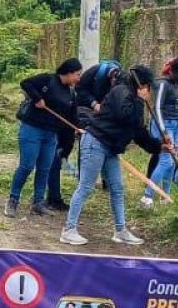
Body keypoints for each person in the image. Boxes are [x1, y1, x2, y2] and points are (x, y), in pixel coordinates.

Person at [60, 65, 173, 246]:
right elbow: (123, 115)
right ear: (142, 85)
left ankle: (120, 230)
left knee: (117, 188)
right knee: (86, 186)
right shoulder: (122, 91)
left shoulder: (135, 101)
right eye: (149, 87)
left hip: (111, 148)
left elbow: (139, 132)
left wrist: (159, 147)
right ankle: (68, 229)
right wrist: (139, 100)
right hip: (95, 142)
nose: (150, 91)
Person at [6, 59, 83, 218]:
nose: (78, 78)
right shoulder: (48, 80)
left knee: (44, 169)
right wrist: (37, 98)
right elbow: (26, 83)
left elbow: (72, 115)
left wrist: (79, 128)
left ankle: (38, 202)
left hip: (50, 135)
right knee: (27, 166)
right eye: (77, 74)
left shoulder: (71, 92)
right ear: (68, 72)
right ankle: (13, 200)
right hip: (32, 130)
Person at [47, 60, 123, 208]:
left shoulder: (120, 81)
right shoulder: (91, 74)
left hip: (89, 118)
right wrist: (94, 103)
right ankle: (57, 194)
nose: (79, 78)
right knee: (60, 155)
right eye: (77, 75)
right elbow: (80, 92)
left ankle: (105, 180)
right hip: (82, 112)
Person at [140, 57, 178, 208]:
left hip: (176, 125)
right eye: (177, 75)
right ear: (171, 71)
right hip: (162, 124)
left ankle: (165, 196)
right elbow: (157, 109)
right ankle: (147, 196)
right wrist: (163, 131)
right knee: (165, 161)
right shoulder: (163, 84)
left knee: (171, 162)